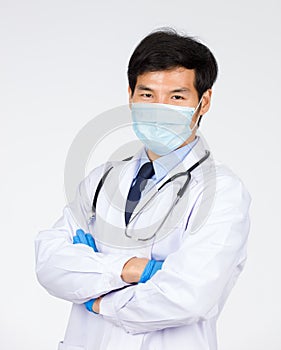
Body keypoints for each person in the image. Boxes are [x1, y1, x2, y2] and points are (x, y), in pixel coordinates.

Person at [35, 28, 251, 350]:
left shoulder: (222, 193)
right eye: (147, 95)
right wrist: (132, 269)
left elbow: (187, 297)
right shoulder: (101, 180)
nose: (159, 108)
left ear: (203, 102)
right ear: (131, 95)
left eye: (176, 97)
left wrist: (96, 300)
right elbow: (50, 263)